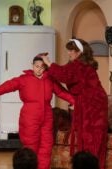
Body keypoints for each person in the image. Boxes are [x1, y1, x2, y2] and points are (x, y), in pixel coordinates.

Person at [0, 56, 75, 169]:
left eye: (42, 67)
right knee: (31, 146)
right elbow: (9, 85)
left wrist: (74, 101)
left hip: (47, 117)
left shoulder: (49, 80)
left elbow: (61, 92)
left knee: (46, 146)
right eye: (37, 66)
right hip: (30, 117)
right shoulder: (24, 79)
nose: (39, 69)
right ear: (32, 66)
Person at [41, 38, 108, 169]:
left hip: (94, 103)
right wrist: (47, 68)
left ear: (79, 52)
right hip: (87, 102)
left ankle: (94, 166)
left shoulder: (81, 66)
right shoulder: (74, 65)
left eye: (71, 50)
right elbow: (62, 72)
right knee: (85, 136)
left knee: (92, 137)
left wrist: (49, 63)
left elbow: (64, 75)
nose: (69, 53)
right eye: (69, 50)